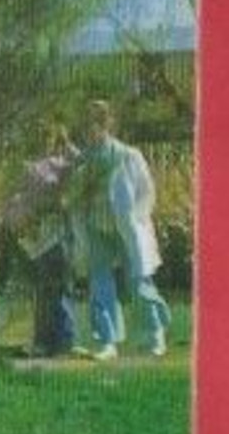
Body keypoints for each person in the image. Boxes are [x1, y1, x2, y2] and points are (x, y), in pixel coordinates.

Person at [65, 99, 171, 360]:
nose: (91, 129)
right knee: (100, 283)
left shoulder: (127, 155)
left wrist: (137, 220)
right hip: (96, 227)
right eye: (87, 123)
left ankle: (155, 334)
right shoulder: (82, 160)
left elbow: (146, 191)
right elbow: (72, 196)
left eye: (96, 122)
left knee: (138, 281)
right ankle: (107, 341)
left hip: (126, 228)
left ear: (107, 124)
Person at [11, 123, 79, 357]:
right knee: (48, 289)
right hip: (44, 236)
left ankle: (58, 340)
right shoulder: (36, 168)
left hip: (55, 235)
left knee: (56, 288)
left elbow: (81, 166)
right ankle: (50, 340)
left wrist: (68, 147)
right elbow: (25, 200)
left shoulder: (60, 167)